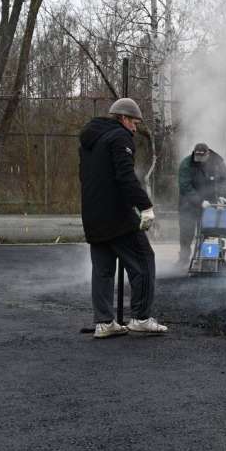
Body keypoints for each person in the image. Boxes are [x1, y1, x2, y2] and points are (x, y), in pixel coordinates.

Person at [79, 98, 168, 338]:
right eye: (134, 123)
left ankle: (104, 322)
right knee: (144, 260)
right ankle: (140, 318)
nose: (135, 128)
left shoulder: (90, 139)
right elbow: (125, 177)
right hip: (117, 216)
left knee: (103, 270)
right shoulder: (119, 137)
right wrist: (146, 206)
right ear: (124, 118)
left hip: (92, 215)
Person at [177, 143, 226, 263]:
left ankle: (207, 260)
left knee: (208, 233)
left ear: (208, 154)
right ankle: (183, 259)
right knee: (186, 232)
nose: (199, 161)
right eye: (197, 158)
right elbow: (185, 187)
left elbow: (224, 179)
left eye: (202, 158)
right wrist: (200, 201)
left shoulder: (218, 163)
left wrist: (222, 196)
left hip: (210, 204)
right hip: (188, 205)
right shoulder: (186, 164)